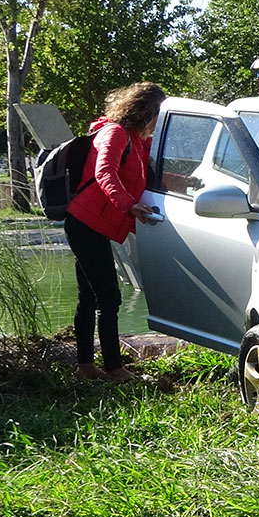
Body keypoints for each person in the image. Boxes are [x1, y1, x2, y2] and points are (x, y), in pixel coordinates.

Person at [64, 81, 167, 382]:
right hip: (84, 223)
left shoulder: (136, 140)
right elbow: (104, 172)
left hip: (93, 225)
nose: (158, 124)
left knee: (90, 297)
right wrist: (130, 205)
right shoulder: (115, 133)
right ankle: (114, 368)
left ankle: (85, 367)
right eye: (157, 116)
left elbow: (152, 172)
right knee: (109, 297)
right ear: (144, 111)